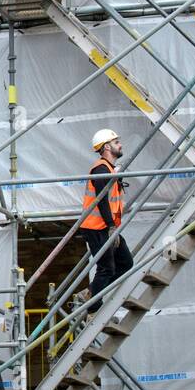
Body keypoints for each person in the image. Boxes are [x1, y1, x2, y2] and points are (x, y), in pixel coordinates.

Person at [80, 128, 133, 302]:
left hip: (107, 226)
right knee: (106, 268)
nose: (120, 144)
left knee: (126, 263)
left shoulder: (109, 169)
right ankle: (92, 309)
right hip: (96, 227)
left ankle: (90, 292)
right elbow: (101, 201)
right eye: (116, 142)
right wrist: (111, 226)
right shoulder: (100, 169)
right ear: (107, 147)